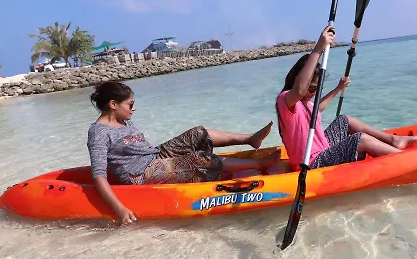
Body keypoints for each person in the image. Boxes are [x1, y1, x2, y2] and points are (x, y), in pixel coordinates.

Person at [88, 81, 280, 224]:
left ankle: (250, 138)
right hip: (140, 175)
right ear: (113, 104)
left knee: (198, 133)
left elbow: (140, 148)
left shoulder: (123, 120)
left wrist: (168, 157)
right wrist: (120, 209)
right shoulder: (98, 133)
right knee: (201, 160)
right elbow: (99, 175)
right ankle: (261, 163)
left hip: (154, 156)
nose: (134, 108)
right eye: (130, 104)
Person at [275, 25, 417, 171]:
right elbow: (300, 90)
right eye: (311, 88)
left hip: (323, 150)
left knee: (344, 120)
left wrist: (337, 89)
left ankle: (393, 140)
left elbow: (317, 108)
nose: (314, 92)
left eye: (317, 88)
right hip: (311, 163)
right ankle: (408, 159)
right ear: (297, 79)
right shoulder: (285, 100)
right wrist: (318, 48)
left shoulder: (305, 103)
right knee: (360, 139)